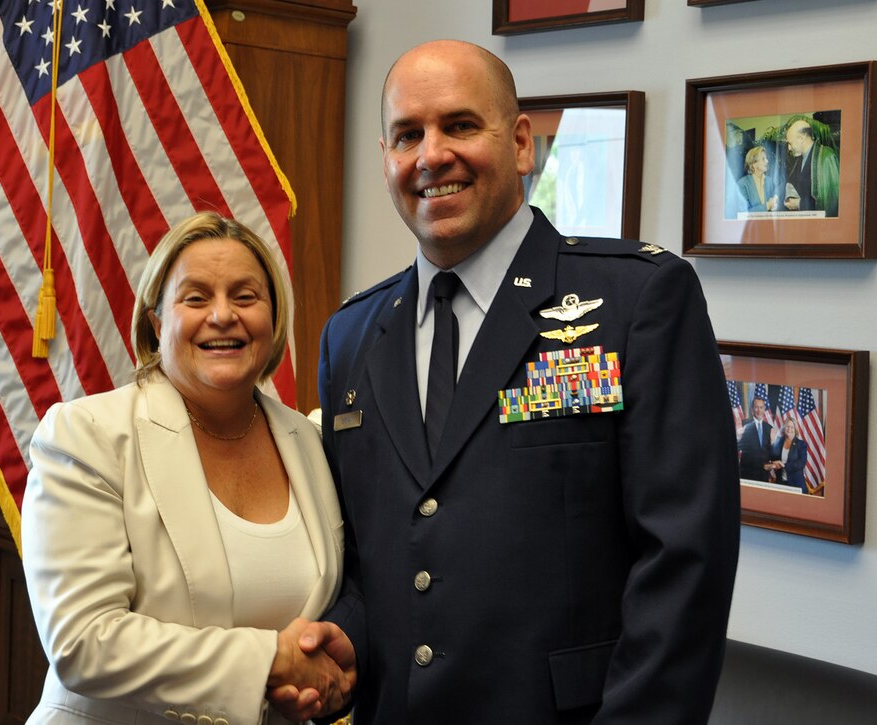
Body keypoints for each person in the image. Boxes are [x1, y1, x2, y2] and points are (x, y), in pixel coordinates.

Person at [293, 40, 740, 723]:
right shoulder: (349, 337)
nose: (432, 155)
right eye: (408, 135)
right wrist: (347, 637)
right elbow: (361, 554)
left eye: (460, 125)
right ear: (385, 158)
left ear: (522, 143)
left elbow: (685, 562)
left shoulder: (636, 301)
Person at [21, 212, 354, 724]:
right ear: (157, 324)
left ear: (273, 318)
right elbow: (84, 642)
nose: (222, 315)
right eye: (195, 298)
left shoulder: (311, 441)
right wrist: (268, 660)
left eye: (246, 296)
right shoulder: (87, 435)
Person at [783, 116, 840, 217]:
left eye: (790, 143)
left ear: (801, 138)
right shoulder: (798, 159)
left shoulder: (826, 157)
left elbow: (831, 203)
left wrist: (799, 204)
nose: (789, 148)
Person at [738, 395, 775, 482]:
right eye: (756, 407)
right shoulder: (744, 425)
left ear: (764, 409)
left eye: (761, 407)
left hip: (763, 475)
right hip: (747, 473)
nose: (759, 410)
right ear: (752, 409)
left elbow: (770, 452)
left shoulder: (769, 428)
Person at [769, 417, 809, 493]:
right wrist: (772, 442)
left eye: (792, 427)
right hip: (780, 483)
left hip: (796, 484)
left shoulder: (801, 444)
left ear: (795, 429)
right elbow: (772, 457)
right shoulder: (778, 442)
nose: (789, 429)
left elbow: (801, 463)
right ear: (784, 428)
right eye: (787, 426)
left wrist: (784, 465)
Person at [736, 145, 778, 213]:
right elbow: (744, 212)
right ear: (753, 164)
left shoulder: (770, 181)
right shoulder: (742, 184)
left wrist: (775, 205)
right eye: (763, 159)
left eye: (766, 158)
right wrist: (767, 206)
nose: (767, 161)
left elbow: (774, 204)